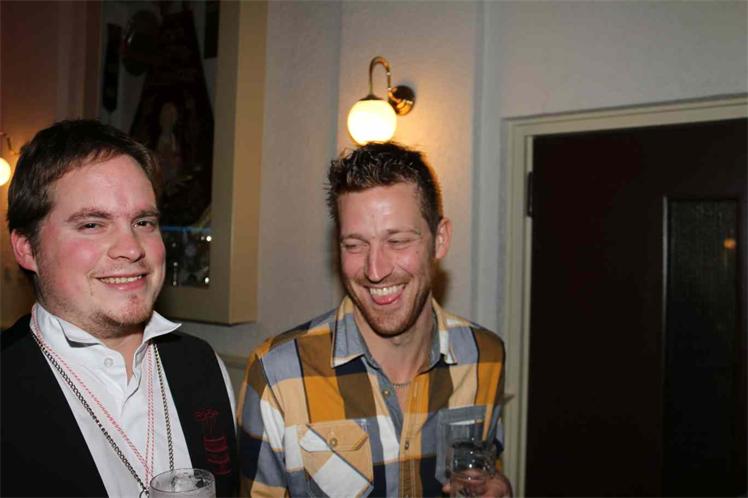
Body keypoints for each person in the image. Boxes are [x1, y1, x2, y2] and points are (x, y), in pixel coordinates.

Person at [238, 142, 512, 497]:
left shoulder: (485, 357)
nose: (375, 270)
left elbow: (485, 472)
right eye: (354, 245)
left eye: (397, 241)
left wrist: (497, 488)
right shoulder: (277, 374)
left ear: (440, 239)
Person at [1, 119, 238, 497]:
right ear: (27, 249)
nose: (131, 248)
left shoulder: (202, 366)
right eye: (92, 225)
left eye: (143, 222)